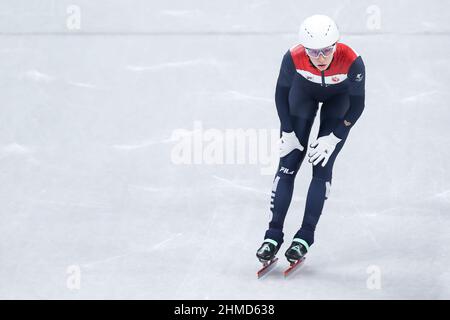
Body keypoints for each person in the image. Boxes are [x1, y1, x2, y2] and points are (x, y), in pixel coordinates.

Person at [256, 14, 366, 264]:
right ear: (304, 49)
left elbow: (357, 106)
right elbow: (280, 95)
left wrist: (335, 137)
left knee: (321, 165)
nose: (320, 58)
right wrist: (287, 131)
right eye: (313, 52)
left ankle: (304, 236)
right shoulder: (292, 57)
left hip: (339, 103)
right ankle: (272, 235)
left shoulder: (352, 61)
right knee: (288, 163)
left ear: (335, 45)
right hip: (302, 96)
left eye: (326, 50)